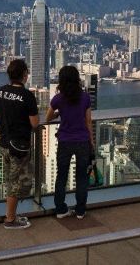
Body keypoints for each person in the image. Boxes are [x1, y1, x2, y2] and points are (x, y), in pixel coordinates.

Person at [0, 59, 39, 229]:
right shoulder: (27, 96)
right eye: (26, 72)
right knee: (16, 183)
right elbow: (34, 123)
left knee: (10, 179)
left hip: (3, 143)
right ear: (24, 75)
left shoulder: (0, 91)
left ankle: (11, 214)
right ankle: (10, 219)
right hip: (19, 145)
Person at [45, 66, 93, 219]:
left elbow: (47, 118)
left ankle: (60, 209)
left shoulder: (58, 98)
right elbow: (89, 121)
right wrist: (91, 141)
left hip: (65, 141)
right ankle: (80, 210)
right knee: (82, 177)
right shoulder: (85, 97)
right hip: (82, 141)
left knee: (61, 176)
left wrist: (60, 112)